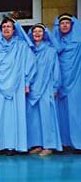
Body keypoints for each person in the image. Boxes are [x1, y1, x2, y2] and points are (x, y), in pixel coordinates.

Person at [0, 17, 36, 155]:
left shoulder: (22, 45)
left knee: (14, 116)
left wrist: (27, 83)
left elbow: (30, 64)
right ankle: (0, 145)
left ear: (14, 29)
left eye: (9, 26)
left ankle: (15, 145)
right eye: (4, 27)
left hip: (17, 85)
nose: (6, 29)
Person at [26, 23, 62, 156]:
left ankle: (49, 145)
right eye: (34, 31)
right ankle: (37, 144)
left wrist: (55, 86)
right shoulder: (29, 51)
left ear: (44, 34)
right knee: (34, 118)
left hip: (46, 88)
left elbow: (56, 70)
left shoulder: (50, 51)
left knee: (47, 118)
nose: (37, 34)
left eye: (40, 31)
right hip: (32, 89)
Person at [53, 13, 81, 154]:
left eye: (67, 23)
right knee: (61, 113)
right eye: (61, 23)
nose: (64, 25)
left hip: (75, 81)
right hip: (59, 82)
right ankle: (64, 143)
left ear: (72, 25)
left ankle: (78, 143)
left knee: (75, 112)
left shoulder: (78, 42)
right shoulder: (55, 43)